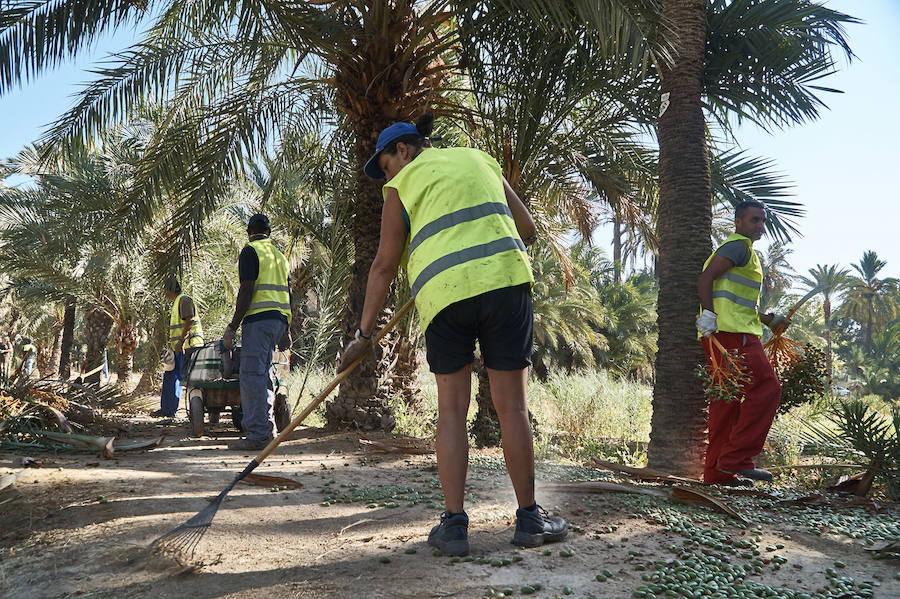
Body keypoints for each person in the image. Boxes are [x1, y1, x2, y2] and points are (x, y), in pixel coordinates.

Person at [338, 113, 567, 556]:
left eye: (386, 166)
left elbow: (383, 265)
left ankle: (455, 526)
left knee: (451, 411)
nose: (387, 176)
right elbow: (528, 230)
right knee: (513, 408)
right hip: (505, 285)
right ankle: (529, 520)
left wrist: (363, 336)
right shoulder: (480, 160)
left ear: (402, 150)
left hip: (445, 296)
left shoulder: (401, 186)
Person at [696, 199, 790, 487]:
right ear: (738, 222)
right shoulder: (739, 247)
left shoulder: (740, 250)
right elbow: (705, 278)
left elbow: (735, 301)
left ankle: (718, 473)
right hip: (734, 336)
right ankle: (737, 459)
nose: (760, 226)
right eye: (754, 220)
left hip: (723, 334)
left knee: (726, 402)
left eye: (763, 221)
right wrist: (708, 314)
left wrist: (767, 319)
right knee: (766, 389)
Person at [224, 214, 291, 451]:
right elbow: (288, 292)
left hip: (259, 321)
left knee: (252, 375)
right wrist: (287, 328)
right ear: (269, 233)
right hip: (278, 321)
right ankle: (266, 429)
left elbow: (246, 289)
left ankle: (258, 435)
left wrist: (232, 326)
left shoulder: (250, 251)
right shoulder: (280, 257)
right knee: (264, 374)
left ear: (249, 232)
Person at [152, 278, 204, 418]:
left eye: (165, 290)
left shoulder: (184, 300)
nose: (164, 293)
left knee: (188, 379)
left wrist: (181, 342)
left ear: (169, 290)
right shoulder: (177, 302)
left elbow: (190, 320)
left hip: (189, 347)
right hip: (178, 349)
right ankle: (167, 410)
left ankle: (196, 410)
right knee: (170, 377)